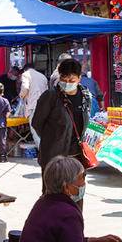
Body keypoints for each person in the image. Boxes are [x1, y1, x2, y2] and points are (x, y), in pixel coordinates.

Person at [31, 59, 92, 192]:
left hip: (77, 155)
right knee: (53, 194)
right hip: (54, 156)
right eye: (64, 79)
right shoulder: (50, 96)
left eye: (71, 80)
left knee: (76, 193)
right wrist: (52, 137)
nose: (67, 83)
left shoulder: (85, 96)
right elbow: (37, 123)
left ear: (79, 79)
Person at [19, 62, 49, 148]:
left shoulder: (25, 75)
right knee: (43, 129)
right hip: (45, 106)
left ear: (25, 69)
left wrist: (21, 95)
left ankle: (42, 152)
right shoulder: (42, 76)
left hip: (33, 106)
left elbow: (25, 88)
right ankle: (46, 150)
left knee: (35, 129)